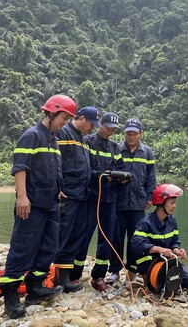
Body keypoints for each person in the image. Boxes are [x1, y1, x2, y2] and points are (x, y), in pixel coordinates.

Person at [0, 94, 76, 319]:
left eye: (68, 118)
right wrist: (22, 197)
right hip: (31, 205)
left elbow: (52, 170)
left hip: (51, 203)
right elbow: (20, 168)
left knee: (49, 247)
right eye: (63, 117)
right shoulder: (31, 136)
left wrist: (58, 189)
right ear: (51, 113)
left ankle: (35, 287)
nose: (65, 122)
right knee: (23, 248)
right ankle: (10, 297)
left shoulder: (53, 139)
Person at [71, 112, 124, 293]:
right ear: (100, 124)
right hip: (91, 198)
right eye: (107, 127)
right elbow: (84, 169)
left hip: (110, 199)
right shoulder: (87, 142)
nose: (110, 131)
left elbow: (121, 168)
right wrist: (100, 176)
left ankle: (98, 276)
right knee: (83, 236)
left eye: (113, 129)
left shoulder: (115, 147)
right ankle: (74, 274)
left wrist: (121, 178)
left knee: (106, 239)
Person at [51, 106, 100, 293]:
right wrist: (59, 188)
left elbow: (84, 169)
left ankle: (65, 278)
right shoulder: (62, 133)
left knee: (75, 236)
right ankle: (50, 276)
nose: (92, 128)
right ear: (80, 118)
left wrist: (101, 175)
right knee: (61, 234)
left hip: (82, 196)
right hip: (67, 195)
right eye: (91, 123)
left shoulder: (83, 140)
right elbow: (55, 164)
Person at [105, 117, 156, 283]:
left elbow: (151, 176)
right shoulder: (116, 149)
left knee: (136, 239)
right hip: (118, 202)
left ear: (141, 133)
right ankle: (114, 270)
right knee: (116, 238)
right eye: (128, 133)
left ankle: (132, 271)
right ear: (124, 133)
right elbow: (110, 173)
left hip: (138, 203)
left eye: (134, 133)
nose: (131, 136)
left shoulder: (147, 152)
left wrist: (150, 196)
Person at [130, 183, 188, 294]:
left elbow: (175, 242)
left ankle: (162, 282)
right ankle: (148, 282)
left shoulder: (172, 221)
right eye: (172, 203)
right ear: (161, 203)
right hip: (150, 263)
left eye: (175, 203)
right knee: (142, 255)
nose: (174, 206)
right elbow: (137, 245)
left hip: (166, 262)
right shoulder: (145, 223)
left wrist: (177, 251)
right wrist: (160, 249)